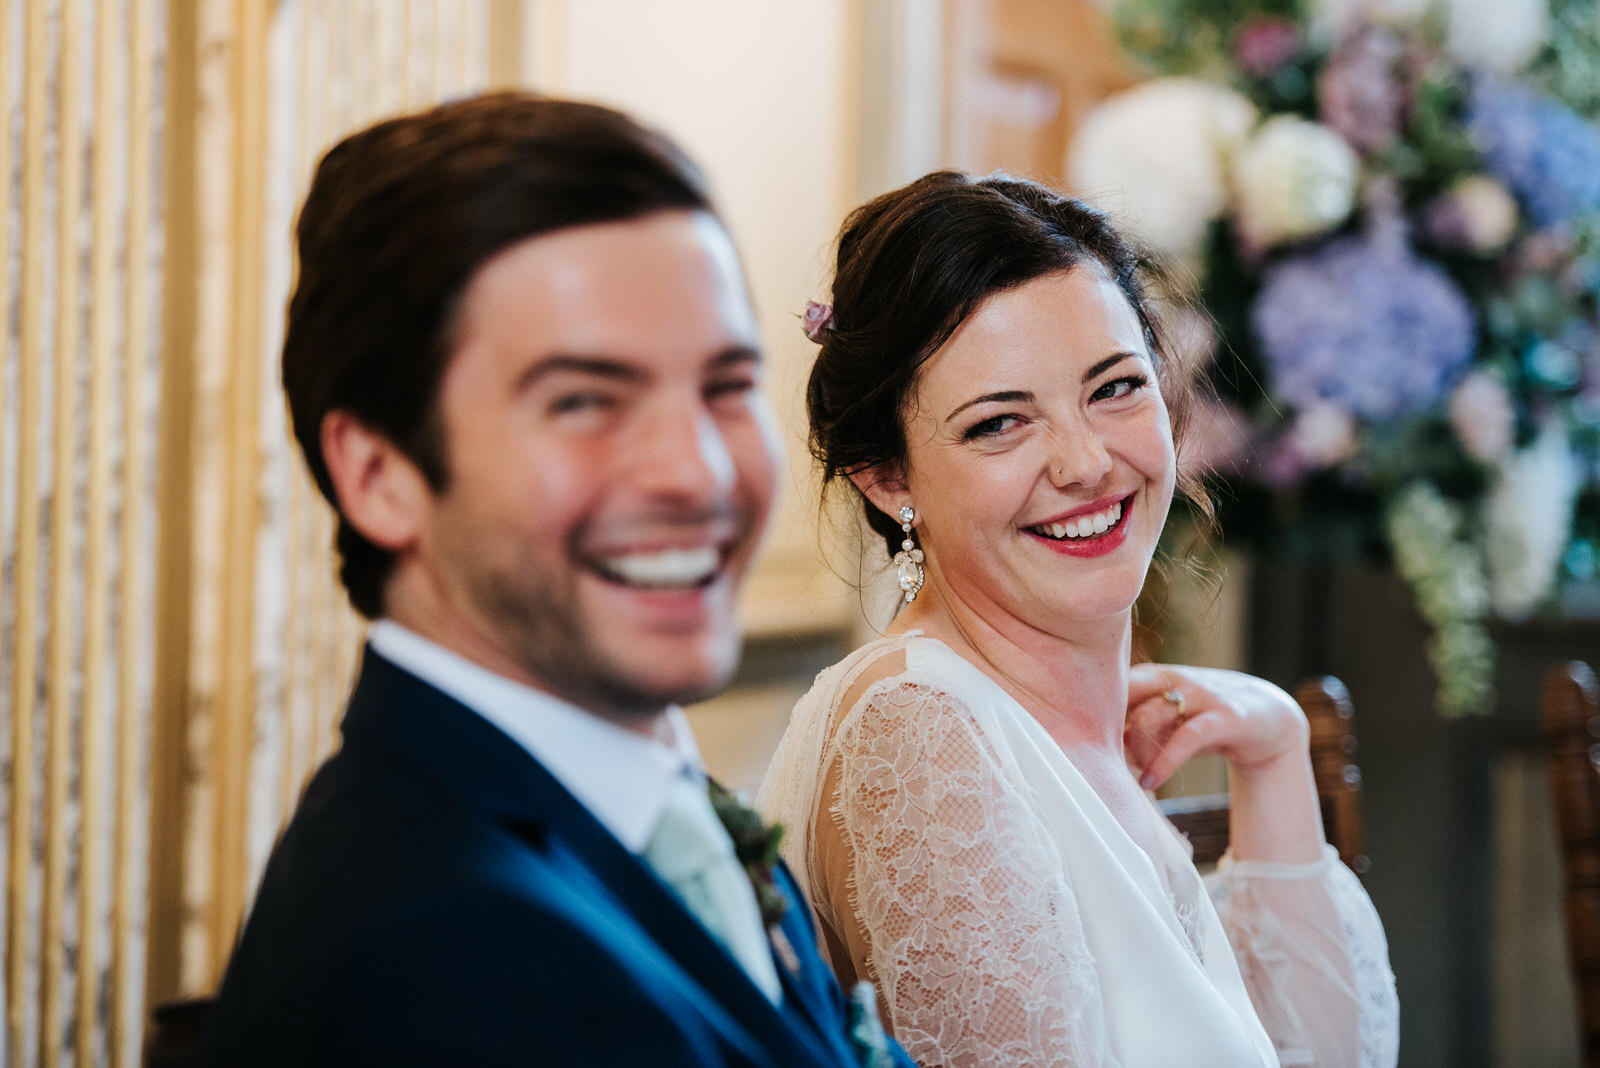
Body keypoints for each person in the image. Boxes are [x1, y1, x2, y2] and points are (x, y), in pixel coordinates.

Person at [202, 92, 913, 1068]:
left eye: (726, 386)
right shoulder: (450, 966)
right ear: (380, 476)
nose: (698, 470)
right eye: (584, 400)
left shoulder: (645, 795)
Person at [758, 172, 1400, 1067]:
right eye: (997, 424)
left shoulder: (1068, 731)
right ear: (887, 477)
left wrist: (1277, 753)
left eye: (1114, 389)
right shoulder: (916, 732)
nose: (1087, 462)